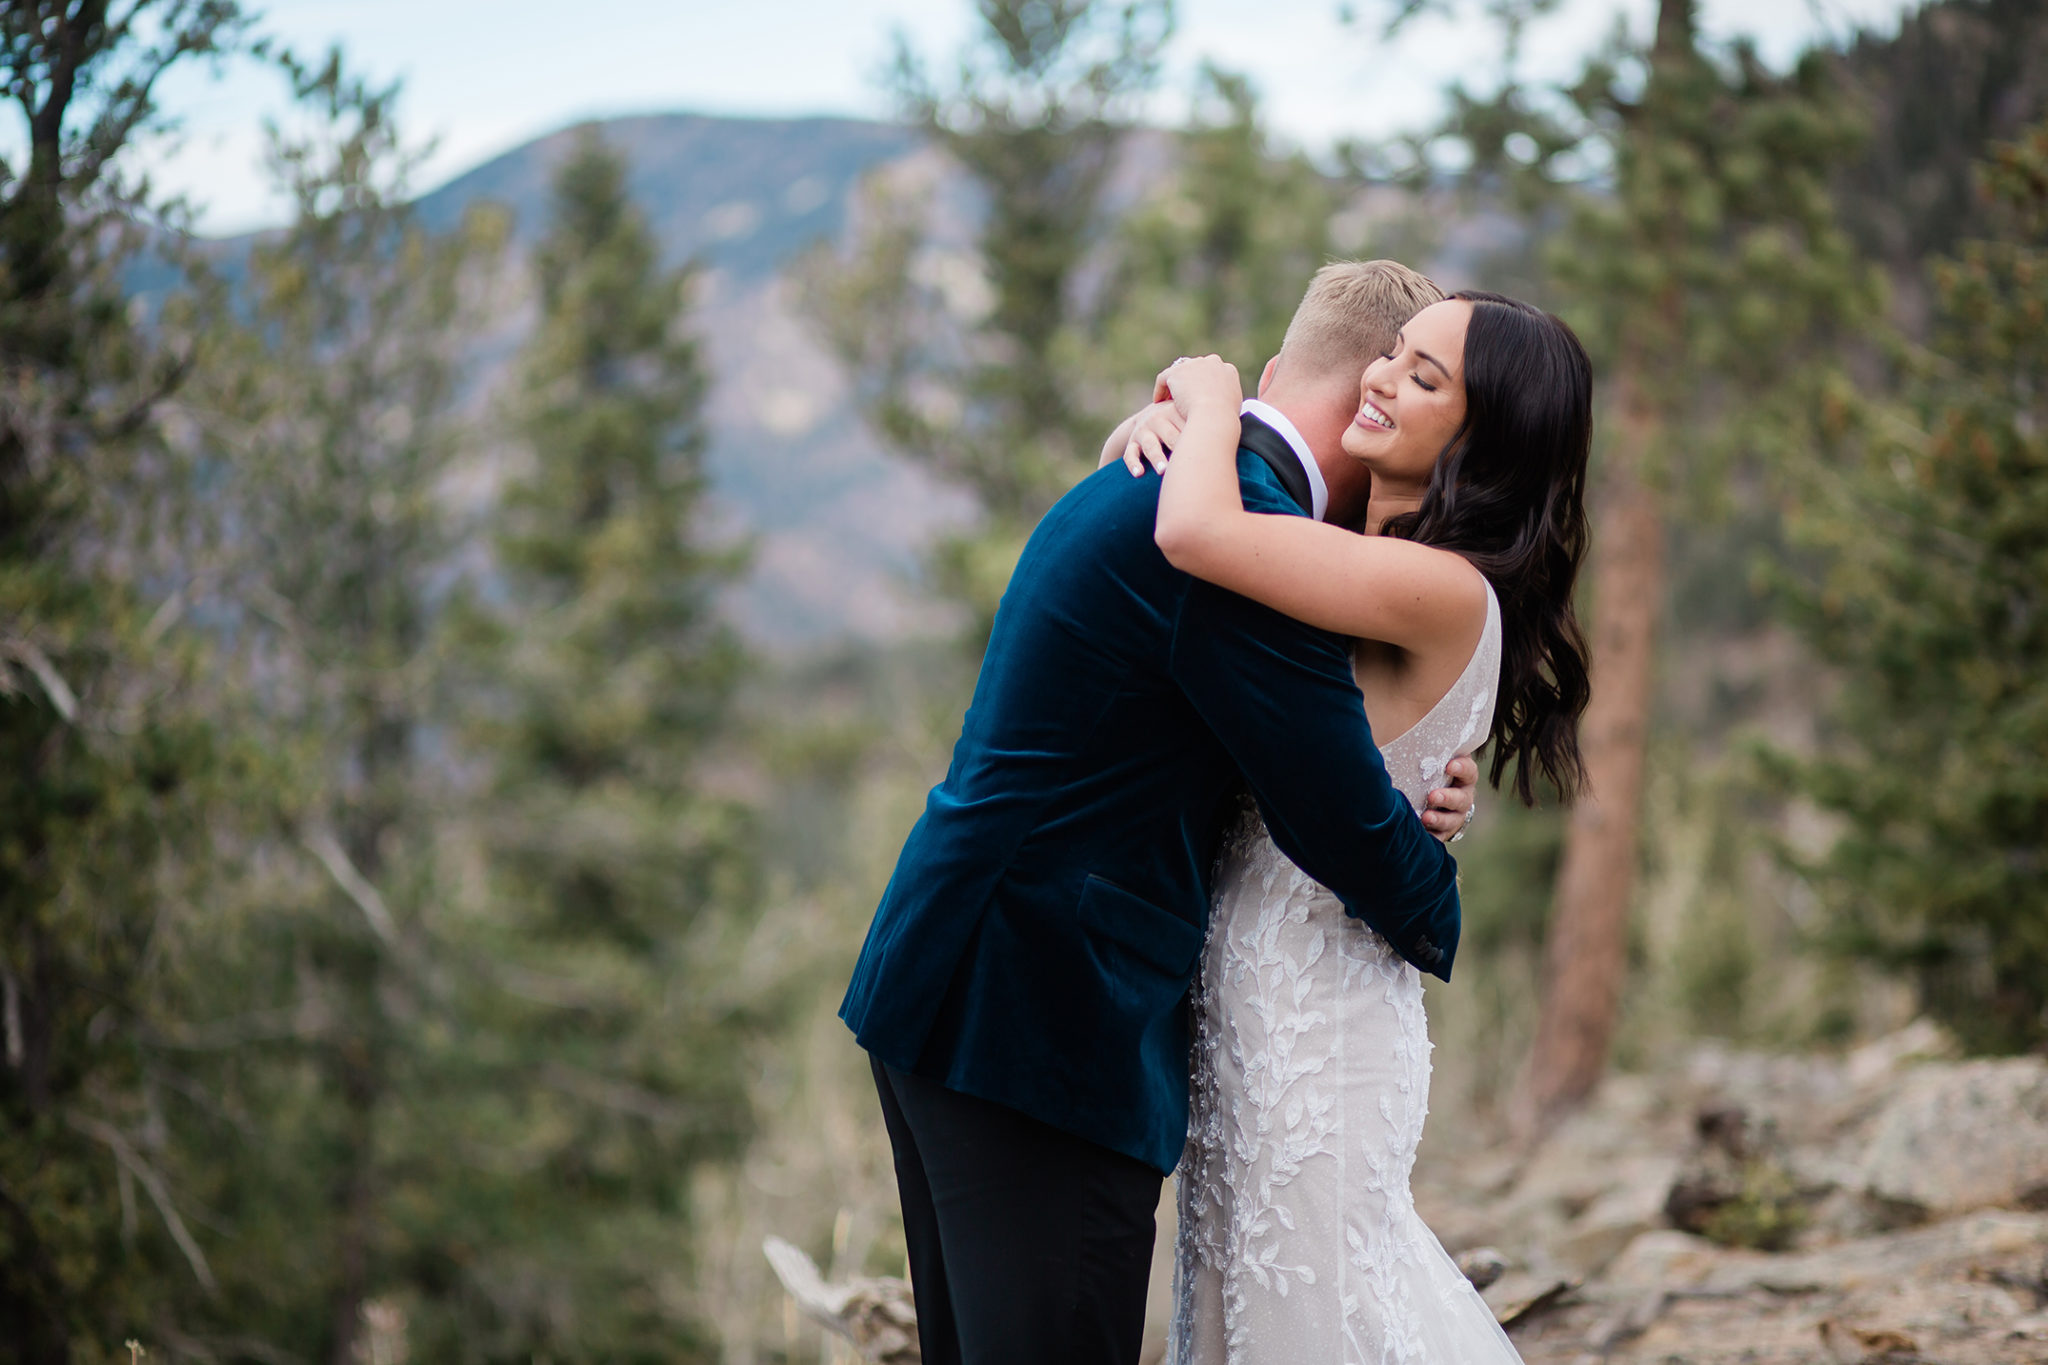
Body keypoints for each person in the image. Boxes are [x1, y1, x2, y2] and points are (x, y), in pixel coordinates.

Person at [838, 260, 1479, 1365]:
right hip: (1040, 1024)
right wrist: (1432, 881)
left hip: (957, 979)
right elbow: (1345, 837)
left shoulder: (1173, 470)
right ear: (1366, 395)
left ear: (1279, 370)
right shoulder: (1241, 535)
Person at [1111, 289, 1594, 1364]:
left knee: (1319, 1317)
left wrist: (1205, 394)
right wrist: (1142, 429)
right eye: (1390, 356)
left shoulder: (1438, 587)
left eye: (1424, 379)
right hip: (1246, 1016)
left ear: (1484, 441)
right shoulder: (1352, 558)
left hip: (1320, 1026)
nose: (1378, 379)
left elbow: (1193, 529)